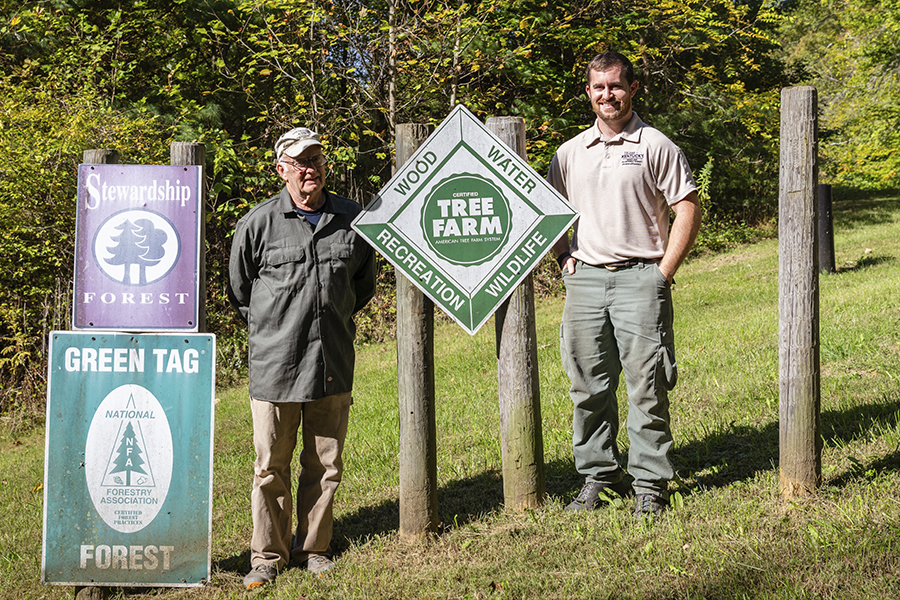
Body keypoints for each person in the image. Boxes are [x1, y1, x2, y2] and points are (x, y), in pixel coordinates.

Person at [548, 51, 702, 517]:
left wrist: (663, 272)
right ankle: (600, 474)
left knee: (647, 385)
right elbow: (550, 213)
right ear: (589, 93)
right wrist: (563, 257)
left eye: (615, 86)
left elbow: (688, 208)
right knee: (588, 386)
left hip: (641, 277)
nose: (607, 95)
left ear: (633, 89)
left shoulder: (656, 145)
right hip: (586, 282)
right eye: (598, 87)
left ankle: (650, 482)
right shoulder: (569, 152)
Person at [228, 127, 376, 588]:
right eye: (300, 161)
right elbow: (240, 290)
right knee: (271, 467)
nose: (310, 168)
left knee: (325, 464)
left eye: (316, 158)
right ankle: (267, 557)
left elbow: (362, 286)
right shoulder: (258, 223)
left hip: (331, 360)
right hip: (276, 365)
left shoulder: (353, 219)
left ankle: (313, 549)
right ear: (282, 170)